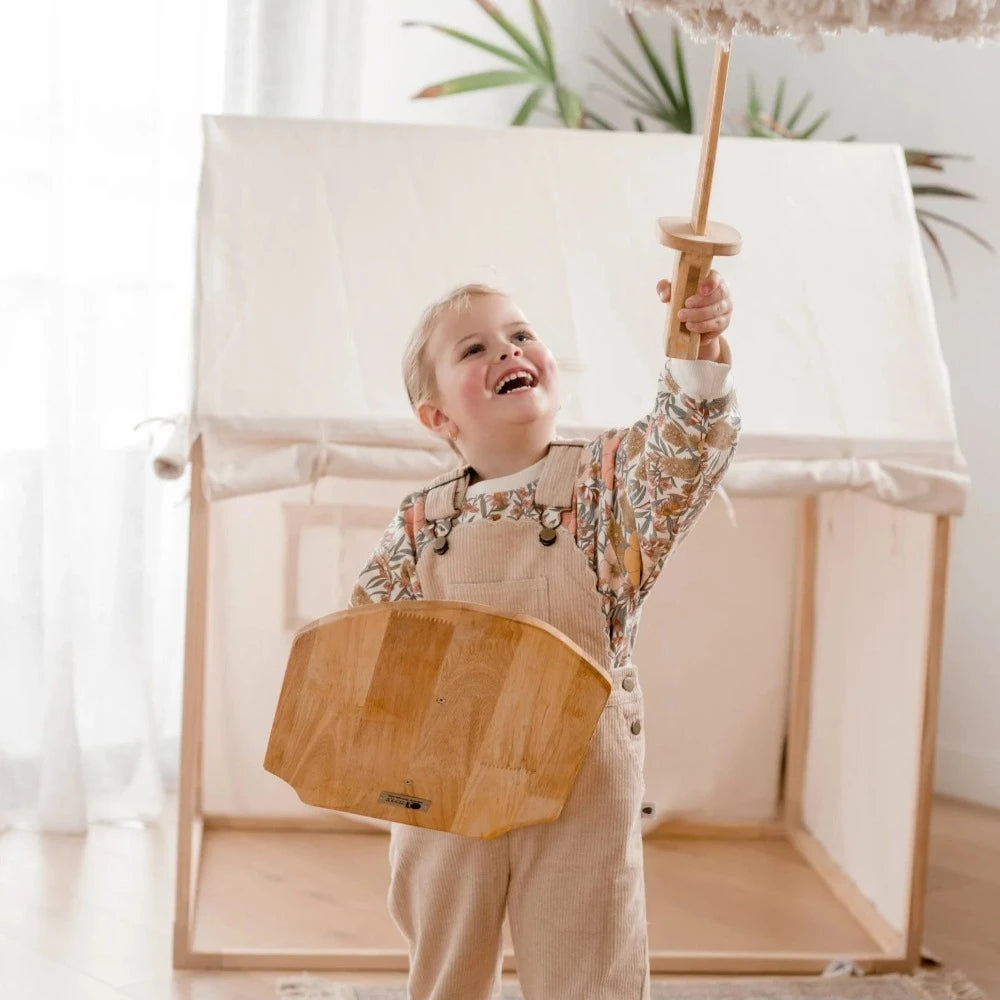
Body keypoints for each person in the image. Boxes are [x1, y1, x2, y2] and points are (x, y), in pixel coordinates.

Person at [349, 272, 739, 1000]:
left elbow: (684, 454)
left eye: (521, 335)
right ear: (437, 418)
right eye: (475, 348)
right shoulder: (418, 524)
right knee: (445, 964)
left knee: (588, 962)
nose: (507, 349)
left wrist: (700, 346)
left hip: (581, 777)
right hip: (446, 780)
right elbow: (369, 643)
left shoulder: (610, 485)